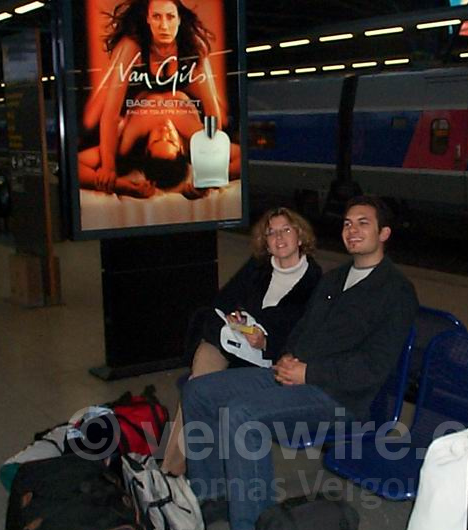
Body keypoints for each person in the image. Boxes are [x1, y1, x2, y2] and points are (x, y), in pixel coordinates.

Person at [180, 196, 418, 530]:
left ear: (384, 233)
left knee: (243, 416)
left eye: (363, 223)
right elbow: (304, 331)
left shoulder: (395, 292)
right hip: (297, 376)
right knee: (199, 392)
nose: (351, 230)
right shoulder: (336, 278)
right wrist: (285, 355)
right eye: (346, 223)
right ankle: (213, 494)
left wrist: (309, 373)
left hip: (339, 399)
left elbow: (373, 367)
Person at [160, 207, 322, 475]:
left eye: (286, 230)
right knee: (199, 382)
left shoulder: (315, 281)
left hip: (269, 358)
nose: (279, 238)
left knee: (200, 390)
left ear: (300, 237)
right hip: (231, 343)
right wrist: (237, 318)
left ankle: (176, 472)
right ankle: (177, 470)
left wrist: (266, 340)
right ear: (265, 241)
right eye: (271, 233)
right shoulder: (257, 267)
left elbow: (304, 333)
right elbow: (223, 301)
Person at [82, 0, 225, 193]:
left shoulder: (126, 146)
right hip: (148, 97)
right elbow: (212, 114)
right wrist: (210, 169)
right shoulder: (194, 137)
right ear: (147, 19)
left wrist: (113, 175)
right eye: (157, 17)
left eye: (170, 17)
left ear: (179, 19)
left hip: (132, 107)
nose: (164, 26)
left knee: (95, 115)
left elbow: (109, 117)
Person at [78, 89, 241, 196]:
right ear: (182, 148)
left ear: (146, 147)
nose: (164, 129)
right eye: (171, 139)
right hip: (186, 83)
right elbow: (241, 157)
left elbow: (76, 165)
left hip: (139, 86)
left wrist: (120, 185)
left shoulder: (126, 146)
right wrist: (209, 179)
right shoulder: (198, 142)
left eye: (157, 139)